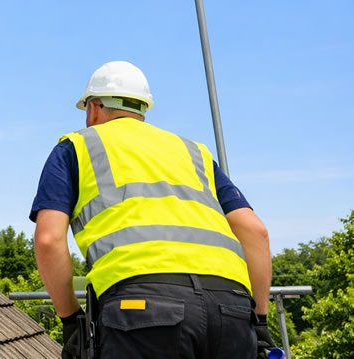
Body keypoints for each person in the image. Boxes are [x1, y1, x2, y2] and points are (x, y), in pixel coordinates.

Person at [30, 61, 274, 359]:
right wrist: (259, 323)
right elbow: (255, 232)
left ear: (93, 108)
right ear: (142, 110)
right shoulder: (194, 152)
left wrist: (71, 321)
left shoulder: (76, 147)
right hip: (231, 308)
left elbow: (48, 240)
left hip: (141, 311)